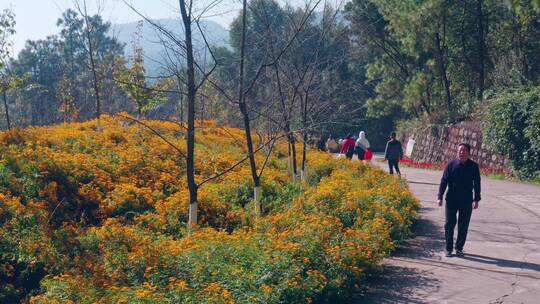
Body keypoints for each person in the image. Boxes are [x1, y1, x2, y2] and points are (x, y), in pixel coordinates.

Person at [437, 143, 481, 257]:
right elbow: (444, 181)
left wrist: (476, 199)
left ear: (469, 153)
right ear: (457, 152)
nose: (462, 152)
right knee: (449, 223)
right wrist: (440, 196)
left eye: (464, 150)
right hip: (451, 199)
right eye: (460, 150)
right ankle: (448, 248)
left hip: (466, 200)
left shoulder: (474, 166)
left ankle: (459, 248)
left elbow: (477, 183)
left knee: (463, 224)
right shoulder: (451, 165)